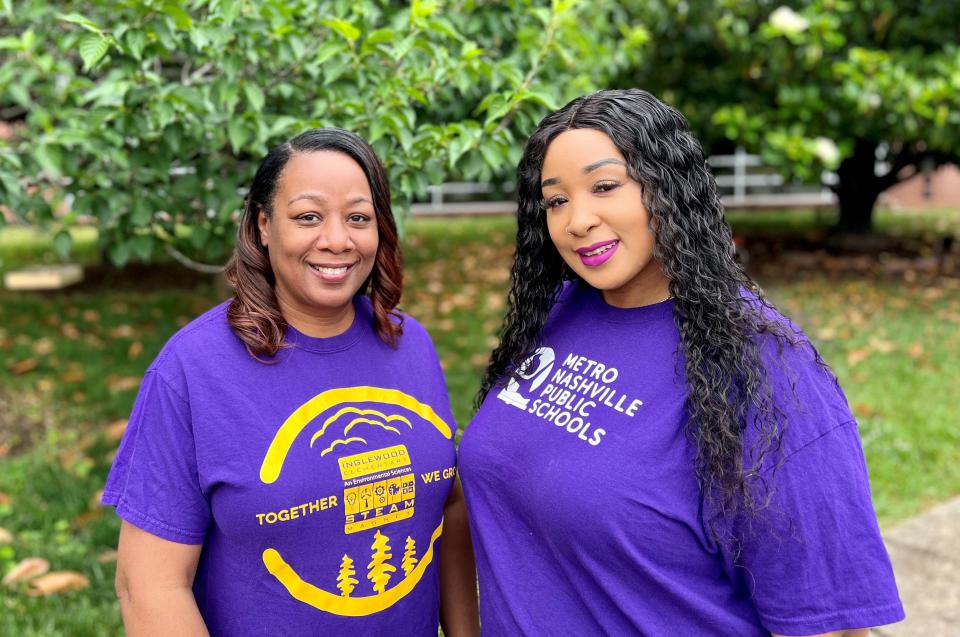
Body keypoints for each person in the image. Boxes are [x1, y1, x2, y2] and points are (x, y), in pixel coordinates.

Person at [458, 90, 904, 636]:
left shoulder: (764, 366)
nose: (577, 221)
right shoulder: (557, 315)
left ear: (668, 187)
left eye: (604, 187)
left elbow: (827, 622)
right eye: (555, 200)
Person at [103, 128, 479, 636]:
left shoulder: (409, 344)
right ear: (263, 225)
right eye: (308, 217)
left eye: (358, 218)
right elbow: (148, 586)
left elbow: (447, 503)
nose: (337, 240)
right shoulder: (193, 369)